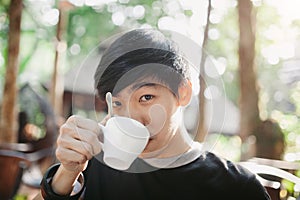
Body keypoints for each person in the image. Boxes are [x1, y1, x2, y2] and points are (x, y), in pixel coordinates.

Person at [37, 29, 270, 200]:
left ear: (183, 93)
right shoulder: (91, 167)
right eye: (118, 102)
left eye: (146, 97)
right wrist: (67, 173)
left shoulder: (237, 187)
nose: (132, 117)